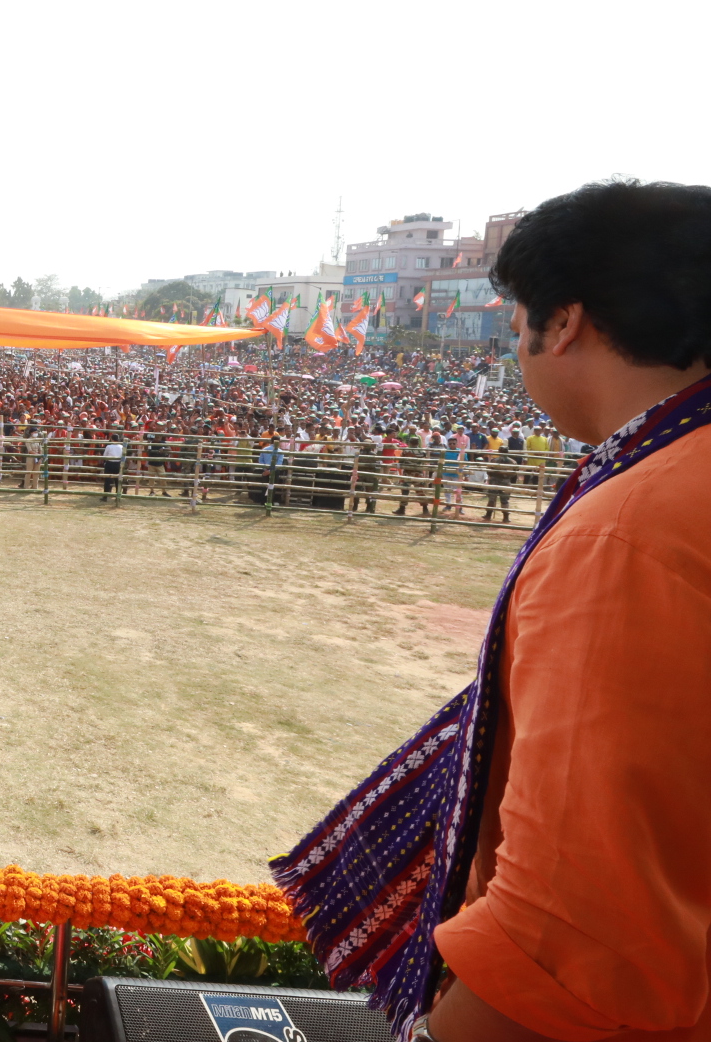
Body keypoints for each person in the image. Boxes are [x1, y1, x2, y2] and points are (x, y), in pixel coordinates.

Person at [273, 179, 711, 1041]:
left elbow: (581, 928)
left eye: (515, 322)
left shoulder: (627, 532)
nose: (516, 344)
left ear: (566, 323)